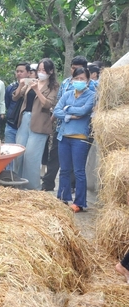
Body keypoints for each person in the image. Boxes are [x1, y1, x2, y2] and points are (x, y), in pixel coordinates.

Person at [41, 56, 94, 191]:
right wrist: (60, 116)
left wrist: (66, 109)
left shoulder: (92, 86)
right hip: (62, 127)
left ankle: (70, 187)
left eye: (77, 69)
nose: (74, 71)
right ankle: (48, 184)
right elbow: (58, 106)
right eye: (72, 68)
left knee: (76, 162)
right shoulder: (65, 83)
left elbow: (85, 110)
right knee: (54, 157)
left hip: (80, 129)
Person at [52, 67, 95, 212]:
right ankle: (62, 198)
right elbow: (57, 110)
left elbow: (84, 111)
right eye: (76, 79)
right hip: (64, 136)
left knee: (78, 171)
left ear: (88, 81)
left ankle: (80, 202)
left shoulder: (91, 95)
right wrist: (69, 115)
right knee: (64, 170)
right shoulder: (67, 94)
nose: (79, 81)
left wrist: (67, 109)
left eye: (82, 79)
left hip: (80, 138)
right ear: (72, 80)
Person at [12, 58, 58, 190]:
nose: (41, 72)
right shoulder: (32, 81)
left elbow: (48, 104)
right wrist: (21, 85)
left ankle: (32, 188)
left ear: (51, 71)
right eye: (39, 69)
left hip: (40, 122)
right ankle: (17, 184)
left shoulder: (53, 86)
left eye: (44, 70)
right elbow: (15, 97)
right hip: (25, 119)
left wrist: (37, 90)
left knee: (31, 157)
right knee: (19, 154)